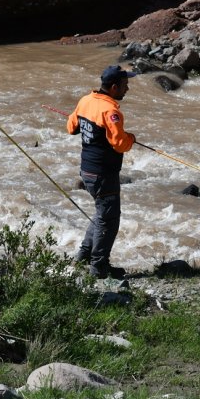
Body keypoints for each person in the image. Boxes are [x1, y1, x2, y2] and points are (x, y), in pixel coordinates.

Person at [66, 65, 137, 279]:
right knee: (109, 219)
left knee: (101, 215)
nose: (128, 88)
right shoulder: (111, 111)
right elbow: (120, 144)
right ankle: (99, 267)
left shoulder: (86, 100)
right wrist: (131, 138)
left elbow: (71, 127)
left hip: (87, 171)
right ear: (114, 87)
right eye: (125, 85)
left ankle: (84, 256)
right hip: (103, 174)